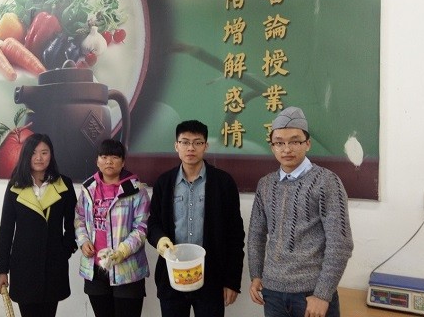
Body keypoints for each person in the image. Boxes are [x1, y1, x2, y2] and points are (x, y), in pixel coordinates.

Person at [248, 106, 354, 317]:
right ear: (272, 147)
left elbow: (340, 243)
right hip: (272, 292)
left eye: (295, 141)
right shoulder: (265, 184)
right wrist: (256, 274)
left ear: (307, 143)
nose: (286, 149)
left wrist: (323, 295)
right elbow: (256, 234)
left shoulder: (326, 181)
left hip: (311, 295)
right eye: (279, 143)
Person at [147, 120, 245, 317]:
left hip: (211, 279)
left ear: (205, 146)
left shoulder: (223, 182)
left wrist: (232, 281)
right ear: (176, 145)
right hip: (173, 276)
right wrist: (159, 239)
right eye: (184, 142)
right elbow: (153, 223)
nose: (190, 148)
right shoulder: (164, 182)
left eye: (197, 142)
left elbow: (235, 234)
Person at [0, 133, 77, 317]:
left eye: (44, 152)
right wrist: (2, 270)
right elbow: (6, 230)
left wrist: (64, 250)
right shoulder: (15, 185)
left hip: (53, 266)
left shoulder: (64, 184)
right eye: (33, 152)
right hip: (23, 266)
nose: (39, 158)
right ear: (26, 155)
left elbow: (73, 224)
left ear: (51, 155)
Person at [75, 139, 150, 317]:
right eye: (104, 156)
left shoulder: (136, 190)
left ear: (123, 162)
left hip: (127, 270)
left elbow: (142, 228)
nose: (109, 161)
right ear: (97, 161)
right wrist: (83, 241)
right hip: (95, 269)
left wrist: (122, 251)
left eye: (115, 157)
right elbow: (79, 219)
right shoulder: (88, 188)